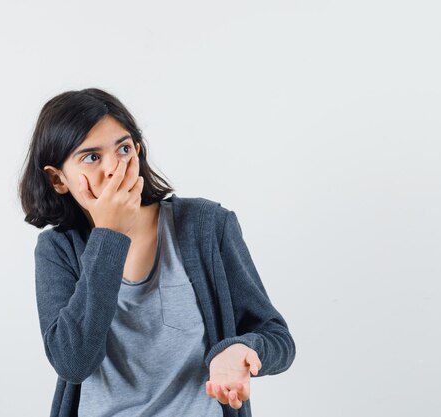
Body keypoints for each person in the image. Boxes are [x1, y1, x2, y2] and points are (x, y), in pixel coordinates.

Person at [18, 88, 296, 417]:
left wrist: (242, 348)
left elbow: (277, 337)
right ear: (57, 179)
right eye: (91, 157)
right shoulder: (58, 249)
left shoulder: (207, 226)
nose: (114, 168)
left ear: (138, 151)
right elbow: (73, 362)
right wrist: (109, 235)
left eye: (123, 149)